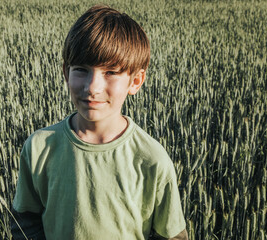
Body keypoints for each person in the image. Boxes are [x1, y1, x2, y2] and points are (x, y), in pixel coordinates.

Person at [11, 4, 188, 240]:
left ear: (135, 81)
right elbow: (25, 225)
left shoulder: (151, 159)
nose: (92, 87)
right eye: (81, 70)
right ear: (66, 73)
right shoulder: (39, 147)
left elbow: (171, 236)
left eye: (111, 72)